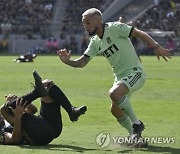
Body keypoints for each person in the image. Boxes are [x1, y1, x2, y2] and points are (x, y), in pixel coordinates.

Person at [57, 8, 171, 141]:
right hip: (120, 78)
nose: (85, 27)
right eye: (83, 24)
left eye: (87, 23)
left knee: (114, 93)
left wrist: (156, 46)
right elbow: (82, 62)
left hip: (135, 72)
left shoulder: (114, 28)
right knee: (115, 110)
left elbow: (138, 33)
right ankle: (135, 137)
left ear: (98, 20)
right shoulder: (95, 42)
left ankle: (137, 124)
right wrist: (67, 62)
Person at [0, 71, 87, 145]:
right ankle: (37, 92)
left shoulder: (5, 116)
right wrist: (17, 118)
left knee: (46, 84)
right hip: (39, 135)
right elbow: (15, 140)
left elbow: (33, 110)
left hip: (50, 126)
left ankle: (71, 111)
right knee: (4, 108)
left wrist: (18, 101)